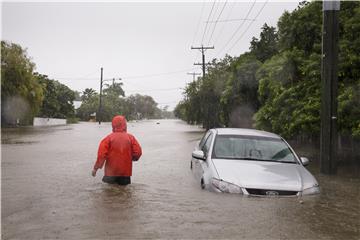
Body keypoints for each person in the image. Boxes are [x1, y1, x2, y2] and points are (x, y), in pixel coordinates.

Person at [92, 115, 142, 185]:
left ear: (113, 125)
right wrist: (132, 158)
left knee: (108, 193)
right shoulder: (131, 138)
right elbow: (138, 152)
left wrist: (95, 169)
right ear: (125, 125)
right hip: (125, 174)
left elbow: (101, 155)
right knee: (125, 193)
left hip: (110, 173)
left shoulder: (108, 139)